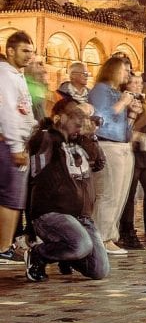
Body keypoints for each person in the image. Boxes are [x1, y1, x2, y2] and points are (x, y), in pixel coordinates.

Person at [24, 100, 109, 282]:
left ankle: (66, 255)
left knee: (99, 270)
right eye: (75, 115)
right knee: (81, 245)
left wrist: (90, 136)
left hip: (81, 216)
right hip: (51, 213)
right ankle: (39, 254)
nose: (80, 120)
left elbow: (99, 163)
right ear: (59, 118)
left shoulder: (80, 141)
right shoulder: (46, 137)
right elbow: (38, 156)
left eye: (82, 116)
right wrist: (60, 131)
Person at [86, 55, 142, 256]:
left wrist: (133, 114)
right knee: (108, 194)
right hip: (108, 146)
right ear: (113, 69)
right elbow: (99, 119)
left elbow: (123, 128)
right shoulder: (100, 90)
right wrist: (122, 103)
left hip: (122, 146)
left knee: (121, 195)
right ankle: (100, 237)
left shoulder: (117, 92)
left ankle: (110, 236)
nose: (128, 74)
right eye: (125, 69)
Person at [0, 31, 38, 263]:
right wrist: (16, 147)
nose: (29, 56)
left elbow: (24, 110)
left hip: (19, 143)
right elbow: (8, 113)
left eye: (31, 52)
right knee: (11, 198)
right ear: (11, 50)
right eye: (25, 51)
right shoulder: (5, 75)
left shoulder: (16, 75)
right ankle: (3, 246)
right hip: (11, 146)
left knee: (13, 198)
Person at [119, 72, 146, 248]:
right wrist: (141, 138)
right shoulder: (123, 101)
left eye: (140, 82)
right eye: (134, 82)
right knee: (129, 195)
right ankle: (127, 231)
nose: (138, 85)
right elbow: (122, 128)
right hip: (130, 151)